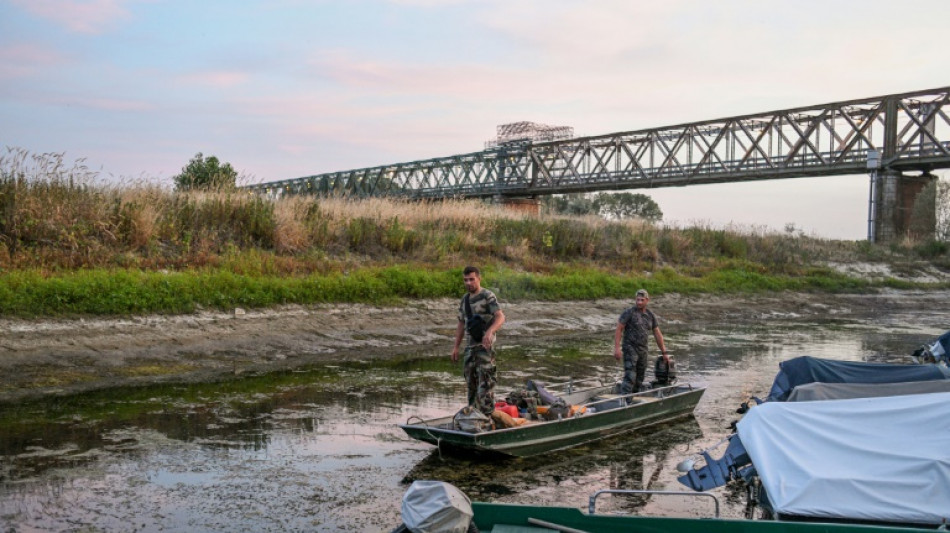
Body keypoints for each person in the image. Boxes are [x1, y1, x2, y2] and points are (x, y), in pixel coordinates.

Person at [451, 266, 505, 415]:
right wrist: (456, 347)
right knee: (471, 386)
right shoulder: (465, 300)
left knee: (486, 386)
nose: (468, 283)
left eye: (471, 279)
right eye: (465, 280)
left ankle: (487, 418)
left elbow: (500, 317)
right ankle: (473, 417)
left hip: (485, 349)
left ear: (479, 279)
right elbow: (461, 323)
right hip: (470, 349)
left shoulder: (488, 296)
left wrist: (490, 332)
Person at [614, 288, 668, 394]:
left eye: (642, 300)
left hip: (643, 350)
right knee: (630, 376)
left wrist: (664, 352)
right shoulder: (629, 313)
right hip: (630, 347)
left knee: (640, 378)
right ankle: (624, 400)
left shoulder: (650, 315)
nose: (639, 302)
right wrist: (617, 348)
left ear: (647, 300)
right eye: (637, 300)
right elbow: (619, 329)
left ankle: (633, 398)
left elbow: (657, 333)